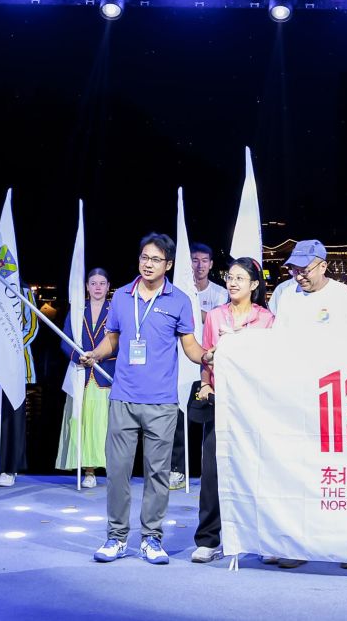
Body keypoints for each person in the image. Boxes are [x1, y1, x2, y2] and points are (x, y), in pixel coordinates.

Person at [76, 234, 205, 564]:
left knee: (157, 474)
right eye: (144, 257)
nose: (148, 264)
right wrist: (95, 354)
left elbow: (190, 346)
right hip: (123, 398)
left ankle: (151, 538)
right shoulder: (122, 296)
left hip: (162, 403)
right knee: (117, 472)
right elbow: (112, 340)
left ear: (168, 265)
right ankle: (116, 537)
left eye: (156, 260)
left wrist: (208, 357)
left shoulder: (178, 300)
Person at [190, 256, 274, 563]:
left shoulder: (267, 319)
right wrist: (205, 383)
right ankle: (208, 540)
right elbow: (205, 358)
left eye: (240, 278)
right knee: (212, 472)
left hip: (252, 404)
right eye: (230, 277)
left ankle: (263, 540)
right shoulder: (215, 316)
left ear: (254, 284)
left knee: (256, 471)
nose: (233, 282)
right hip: (220, 401)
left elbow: (269, 361)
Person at [169, 241, 227, 491]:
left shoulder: (220, 293)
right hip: (183, 361)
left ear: (211, 264)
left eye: (204, 261)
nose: (199, 265)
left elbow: (219, 319)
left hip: (210, 362)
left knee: (210, 419)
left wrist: (193, 310)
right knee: (180, 418)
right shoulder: (178, 292)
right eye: (194, 260)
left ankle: (211, 472)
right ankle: (177, 469)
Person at [57, 268, 113, 487]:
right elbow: (65, 340)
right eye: (93, 283)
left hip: (105, 374)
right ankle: (89, 472)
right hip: (81, 374)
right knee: (82, 422)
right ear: (87, 287)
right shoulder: (78, 310)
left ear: (108, 287)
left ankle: (113, 471)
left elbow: (121, 340)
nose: (98, 287)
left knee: (105, 425)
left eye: (102, 283)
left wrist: (98, 356)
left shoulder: (115, 310)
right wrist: (78, 357)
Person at [269, 240, 347, 330]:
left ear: (323, 267)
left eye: (304, 271)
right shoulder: (287, 295)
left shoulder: (345, 295)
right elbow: (279, 333)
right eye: (295, 271)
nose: (298, 277)